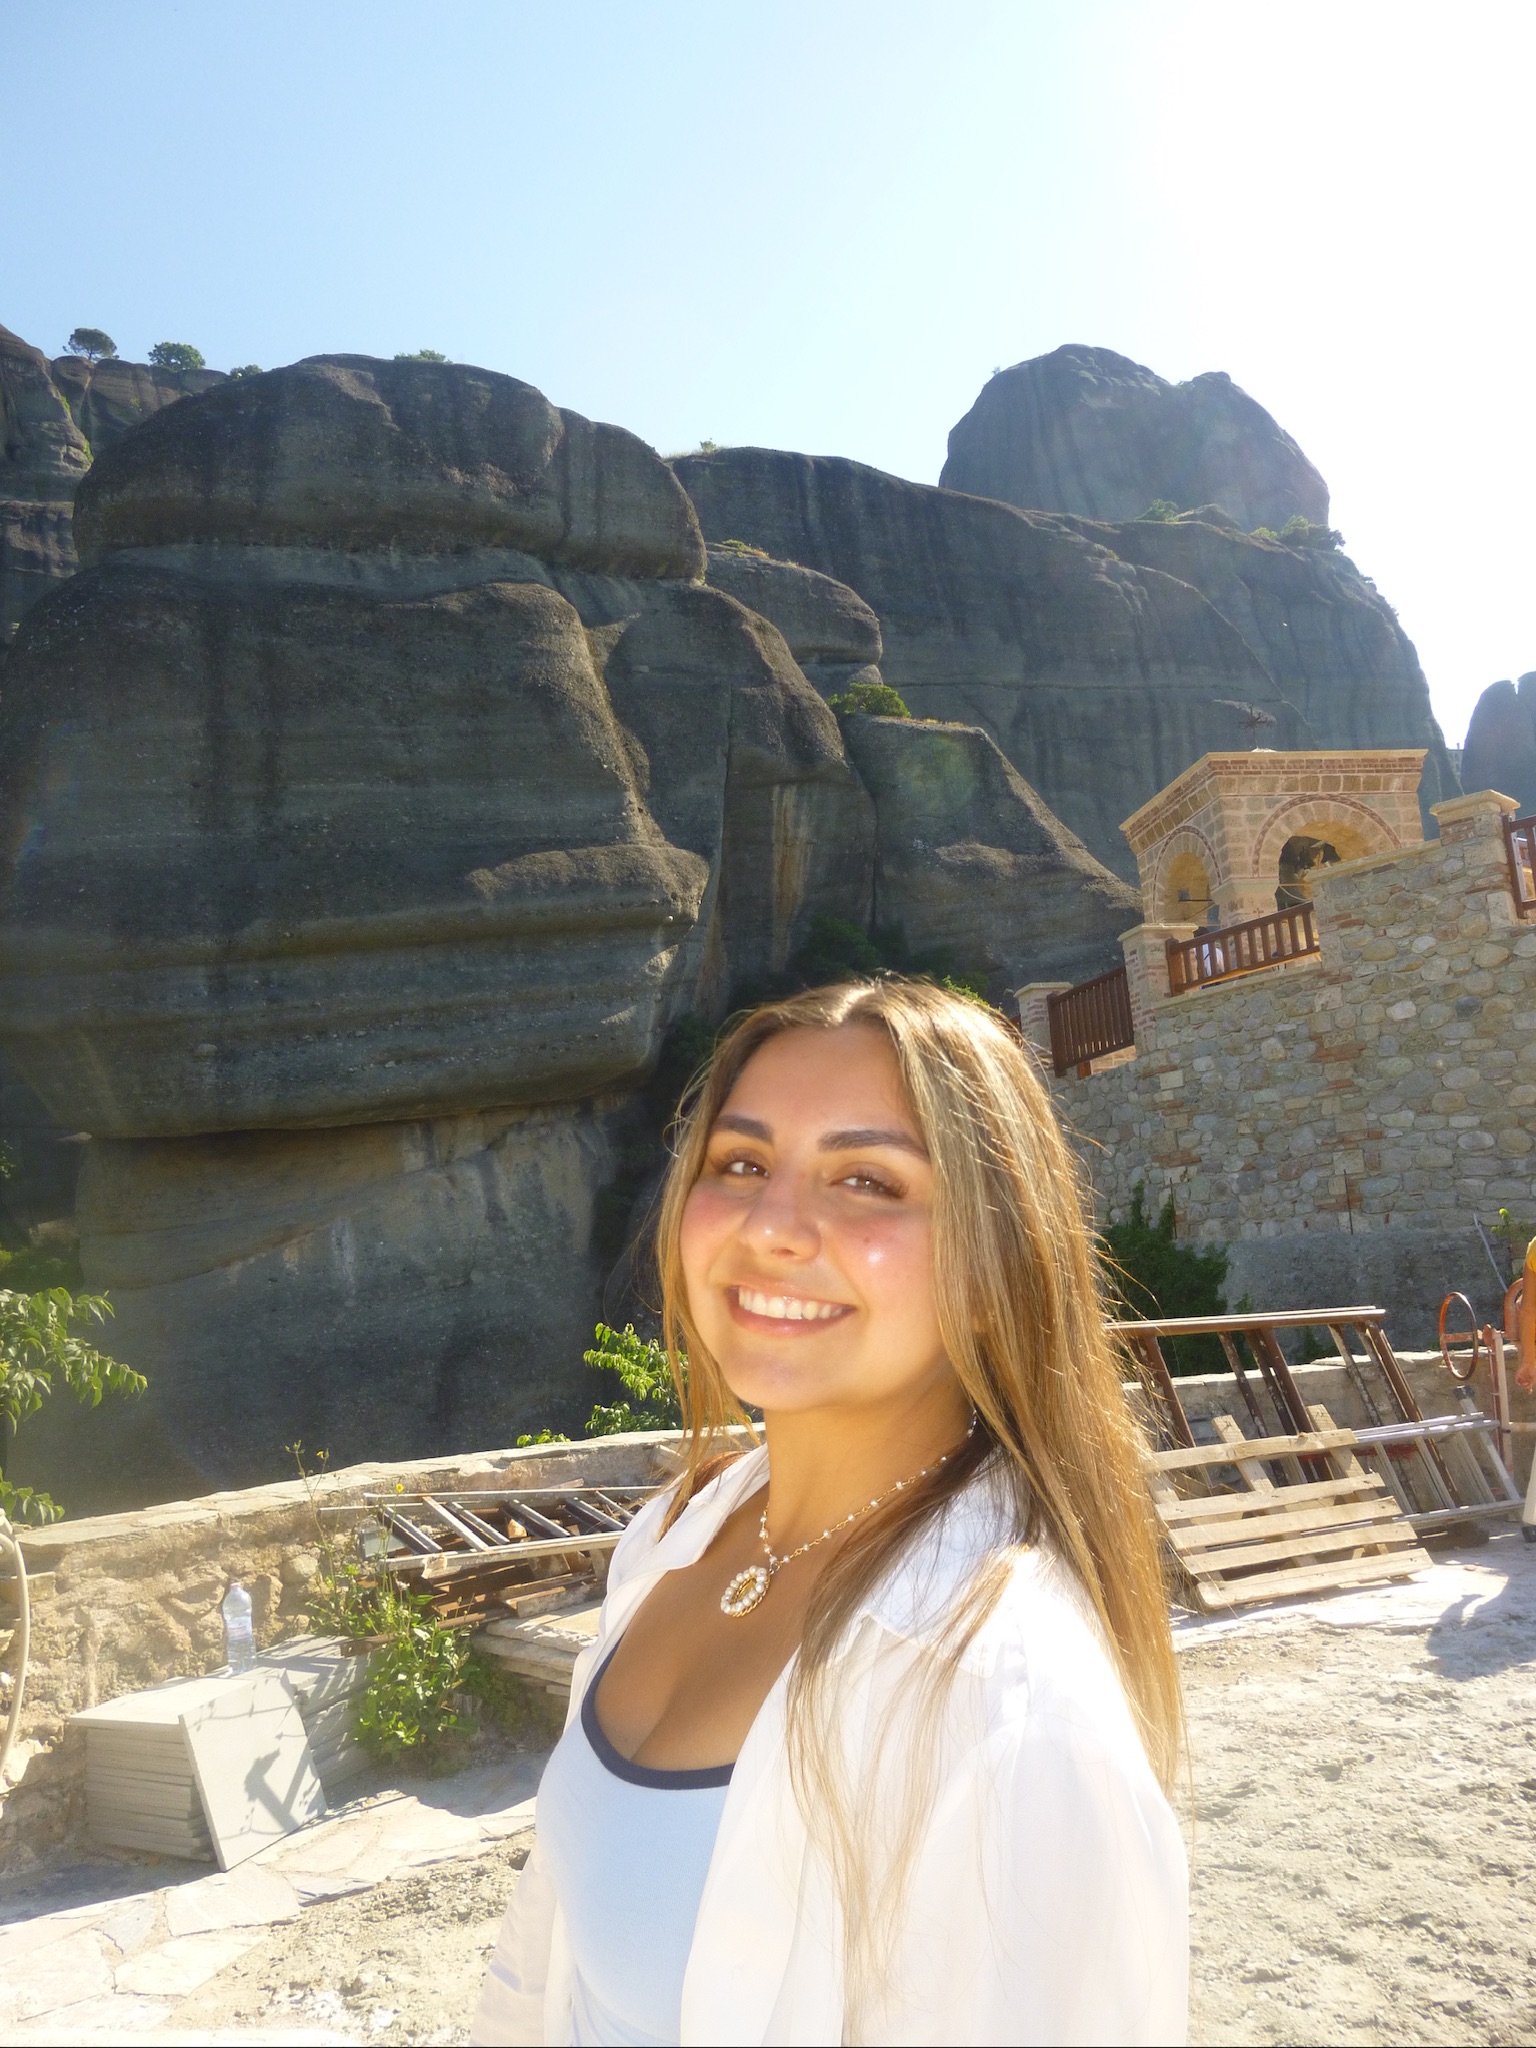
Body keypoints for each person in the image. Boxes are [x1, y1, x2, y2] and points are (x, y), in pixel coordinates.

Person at [472, 979, 1188, 2046]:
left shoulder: (1007, 1707)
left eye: (867, 1179)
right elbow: (549, 1967)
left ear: (997, 1256)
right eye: (742, 1163)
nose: (771, 1227)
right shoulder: (681, 1531)